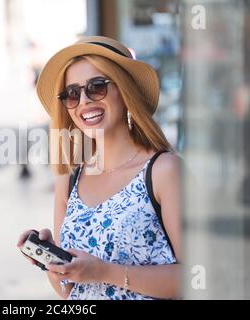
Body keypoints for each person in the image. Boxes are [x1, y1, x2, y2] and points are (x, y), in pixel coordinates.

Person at [17, 36, 181, 300]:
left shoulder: (164, 171)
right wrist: (52, 263)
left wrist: (104, 272)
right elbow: (68, 290)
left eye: (97, 87)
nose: (83, 101)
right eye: (72, 93)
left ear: (126, 91)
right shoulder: (69, 178)